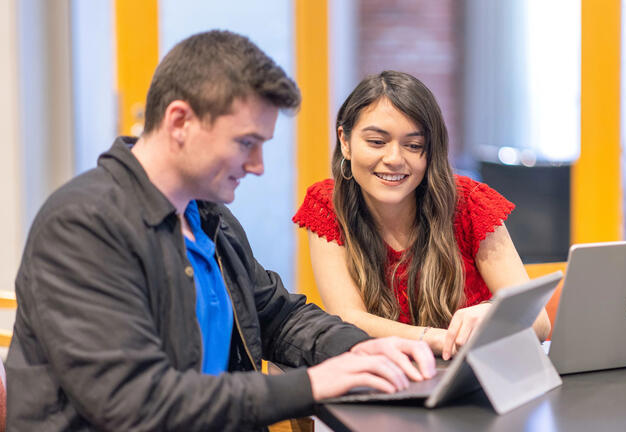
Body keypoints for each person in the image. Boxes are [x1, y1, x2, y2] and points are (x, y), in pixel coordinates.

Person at [6, 31, 434, 431]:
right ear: (179, 122)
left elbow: (279, 318)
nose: (258, 166)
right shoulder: (84, 226)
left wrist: (360, 350)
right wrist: (314, 385)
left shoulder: (209, 219)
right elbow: (135, 402)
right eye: (246, 143)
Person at [293, 71, 551, 361]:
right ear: (346, 141)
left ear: (431, 152)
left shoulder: (470, 203)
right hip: (389, 380)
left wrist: (494, 314)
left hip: (474, 380)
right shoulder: (327, 204)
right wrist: (436, 339)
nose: (393, 159)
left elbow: (539, 321)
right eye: (377, 142)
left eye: (413, 146)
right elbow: (349, 318)